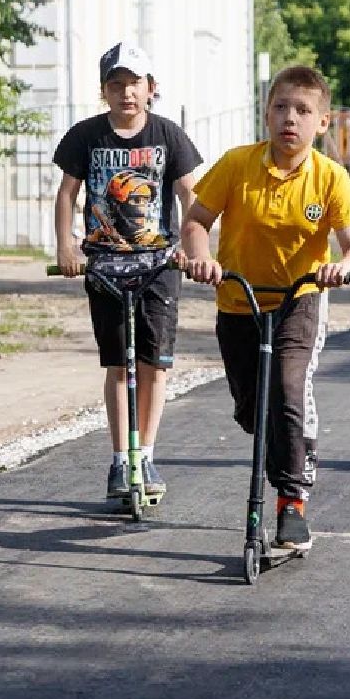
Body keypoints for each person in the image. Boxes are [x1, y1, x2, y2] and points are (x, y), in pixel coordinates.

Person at [179, 65, 350, 550]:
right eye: (281, 107)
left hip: (299, 301)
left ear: (322, 123)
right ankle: (283, 445)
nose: (291, 118)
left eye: (303, 110)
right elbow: (197, 220)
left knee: (287, 391)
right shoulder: (237, 163)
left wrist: (343, 268)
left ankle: (291, 503)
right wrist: (200, 256)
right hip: (238, 299)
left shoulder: (330, 178)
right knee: (253, 409)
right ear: (267, 113)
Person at [53, 41, 201, 505]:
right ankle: (121, 458)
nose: (126, 94)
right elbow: (67, 193)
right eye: (116, 85)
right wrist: (66, 245)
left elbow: (189, 198)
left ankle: (147, 454)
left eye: (134, 84)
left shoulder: (168, 136)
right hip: (105, 267)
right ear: (104, 92)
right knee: (119, 364)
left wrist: (195, 250)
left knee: (154, 363)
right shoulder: (86, 136)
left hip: (158, 266)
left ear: (151, 88)